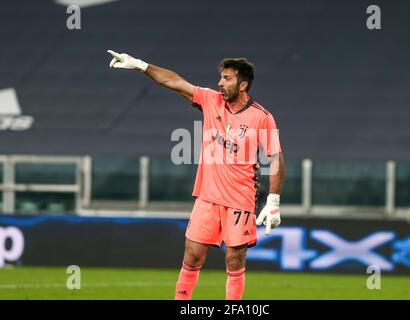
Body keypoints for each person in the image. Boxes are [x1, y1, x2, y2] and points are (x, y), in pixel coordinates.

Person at [107, 50, 285, 300]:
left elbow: (276, 158)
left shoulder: (262, 117)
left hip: (240, 199)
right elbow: (174, 82)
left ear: (243, 85)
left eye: (227, 78)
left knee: (234, 260)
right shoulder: (211, 100)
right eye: (220, 77)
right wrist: (139, 65)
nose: (220, 83)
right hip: (207, 196)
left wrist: (274, 201)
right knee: (192, 254)